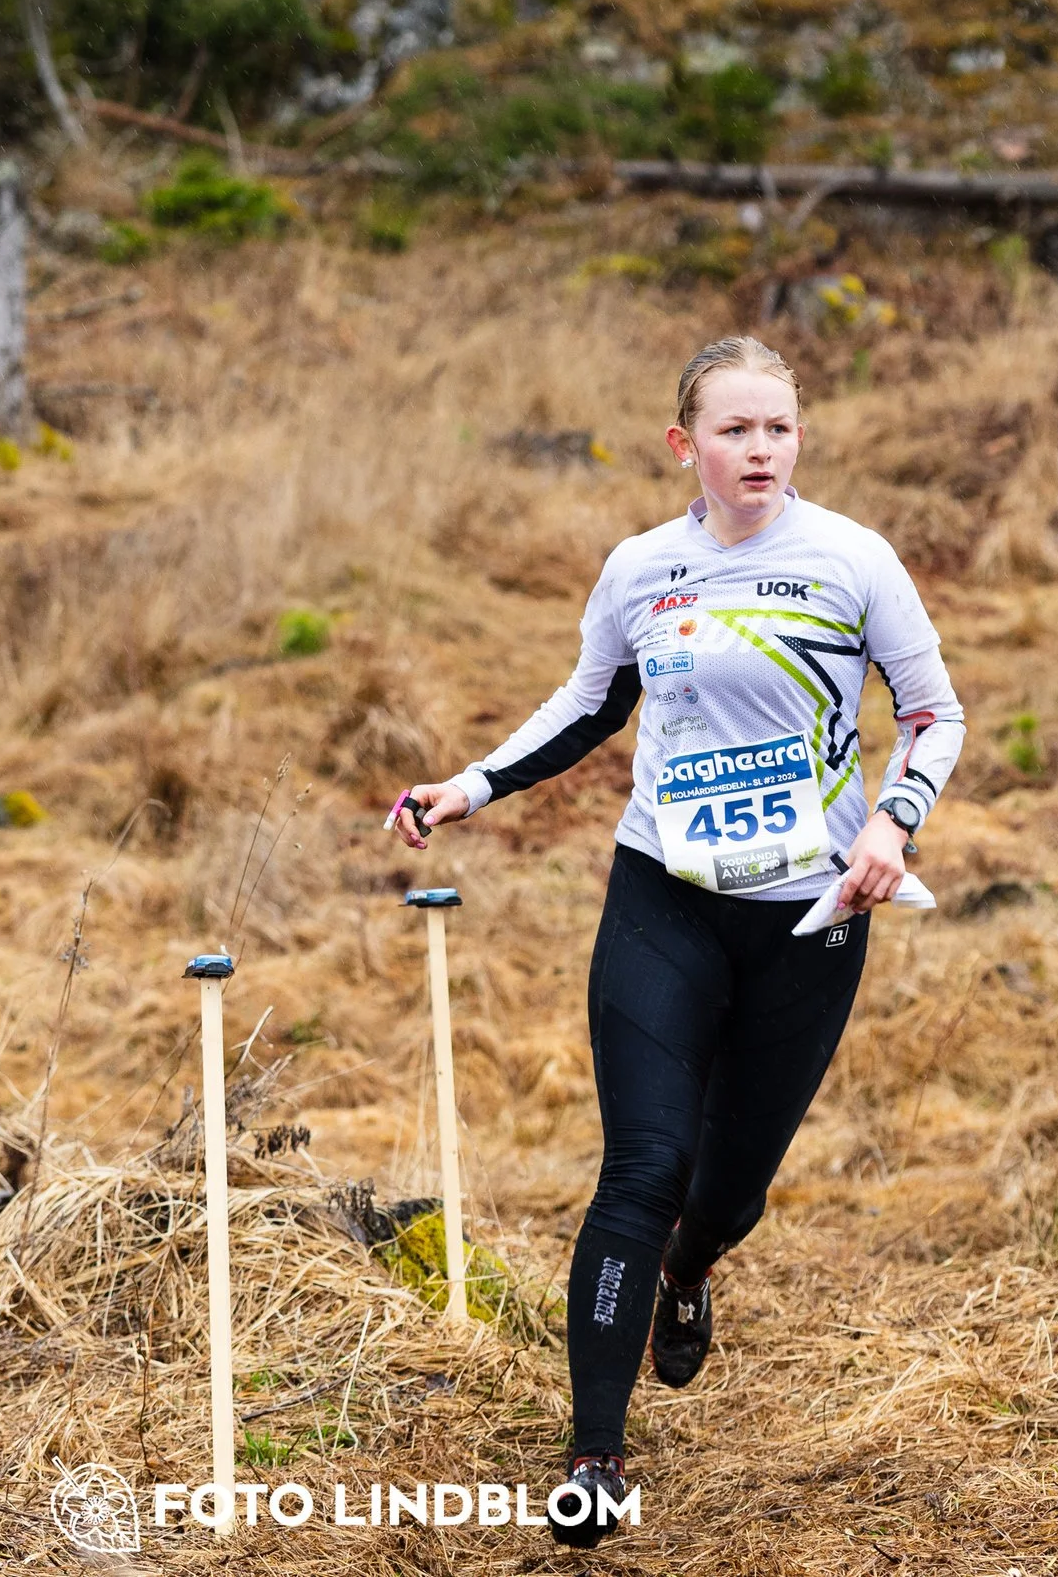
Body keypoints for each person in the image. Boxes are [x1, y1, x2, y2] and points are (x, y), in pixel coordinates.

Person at [386, 336, 966, 1549]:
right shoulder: (643, 568)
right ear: (683, 444)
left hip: (810, 914)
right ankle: (594, 1454)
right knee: (640, 1165)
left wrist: (894, 826)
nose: (760, 450)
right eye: (735, 430)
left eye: (780, 429)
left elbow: (930, 712)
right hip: (663, 893)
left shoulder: (852, 559)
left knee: (724, 1190)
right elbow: (589, 700)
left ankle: (691, 1270)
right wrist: (469, 785)